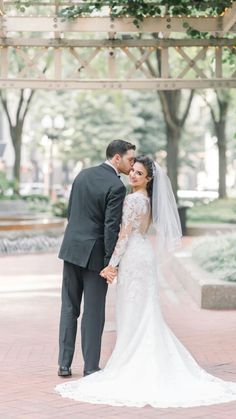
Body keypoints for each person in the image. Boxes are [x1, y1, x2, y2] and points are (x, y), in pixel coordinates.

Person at [55, 155, 236, 407]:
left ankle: (133, 361)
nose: (133, 175)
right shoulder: (149, 201)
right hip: (143, 257)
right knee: (144, 311)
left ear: (149, 179)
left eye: (139, 173)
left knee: (133, 311)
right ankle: (146, 357)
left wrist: (111, 265)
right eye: (133, 171)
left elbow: (124, 236)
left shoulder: (132, 200)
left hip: (132, 258)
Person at [57, 140, 136, 377]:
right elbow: (110, 227)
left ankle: (64, 364)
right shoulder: (116, 185)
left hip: (71, 249)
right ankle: (90, 366)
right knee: (93, 311)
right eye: (130, 159)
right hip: (95, 257)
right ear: (116, 158)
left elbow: (72, 211)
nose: (132, 165)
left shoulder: (82, 175)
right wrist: (111, 264)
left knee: (69, 307)